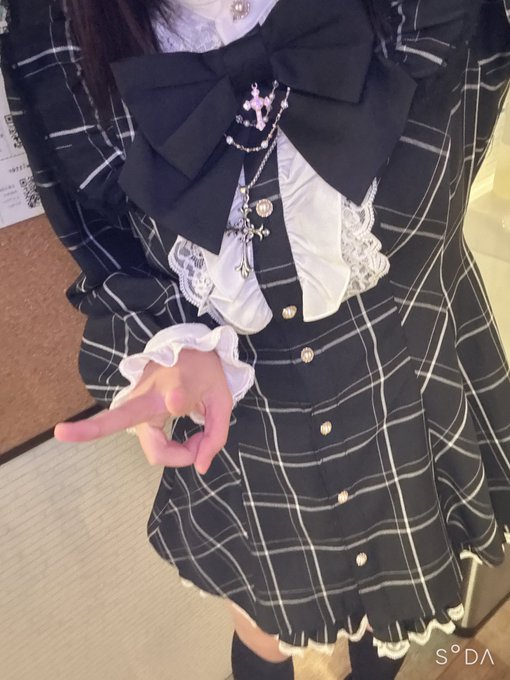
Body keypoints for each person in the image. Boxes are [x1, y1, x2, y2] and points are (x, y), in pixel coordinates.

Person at [2, 0, 510, 678]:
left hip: (408, 401)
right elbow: (105, 245)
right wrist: (170, 341)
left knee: (388, 621)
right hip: (251, 440)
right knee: (266, 634)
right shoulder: (61, 36)